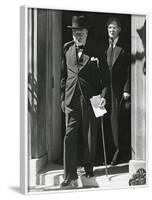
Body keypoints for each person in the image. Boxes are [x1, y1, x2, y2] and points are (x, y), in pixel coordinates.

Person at [60, 15, 109, 187]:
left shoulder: (97, 50)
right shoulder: (66, 49)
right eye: (74, 32)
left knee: (90, 137)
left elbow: (106, 78)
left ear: (87, 32)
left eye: (80, 32)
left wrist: (103, 97)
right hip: (71, 99)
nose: (77, 35)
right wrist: (62, 99)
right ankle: (69, 175)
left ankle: (88, 169)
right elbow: (63, 77)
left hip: (93, 98)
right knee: (69, 137)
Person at [104, 17, 131, 165]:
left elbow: (129, 69)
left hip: (119, 90)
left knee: (117, 122)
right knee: (106, 121)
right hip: (105, 90)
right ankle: (107, 155)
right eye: (109, 28)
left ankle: (118, 155)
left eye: (114, 28)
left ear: (119, 29)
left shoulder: (125, 46)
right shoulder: (104, 46)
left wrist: (127, 89)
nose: (111, 30)